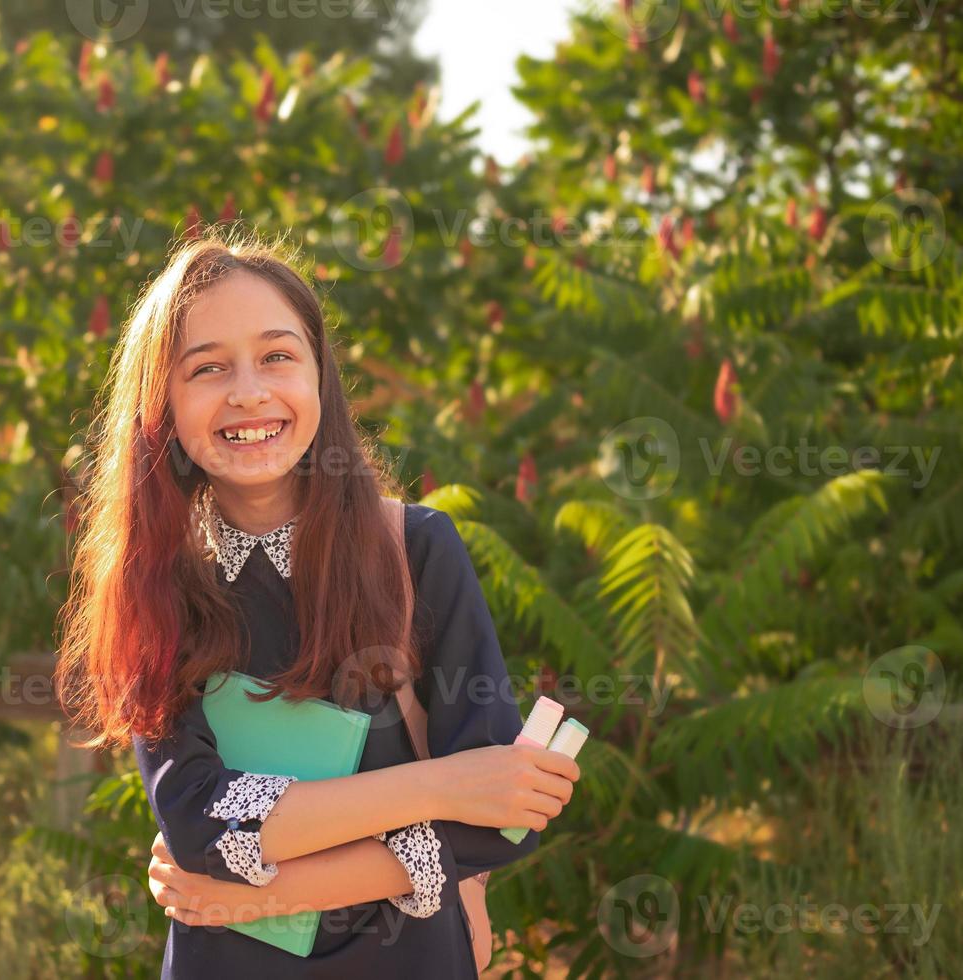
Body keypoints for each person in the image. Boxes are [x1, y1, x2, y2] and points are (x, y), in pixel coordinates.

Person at [55, 227, 581, 978]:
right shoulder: (155, 579)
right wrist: (442, 788)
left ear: (318, 377)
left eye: (277, 356)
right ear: (161, 404)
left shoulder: (417, 551)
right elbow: (200, 820)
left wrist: (255, 893)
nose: (248, 391)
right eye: (207, 368)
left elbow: (501, 826)